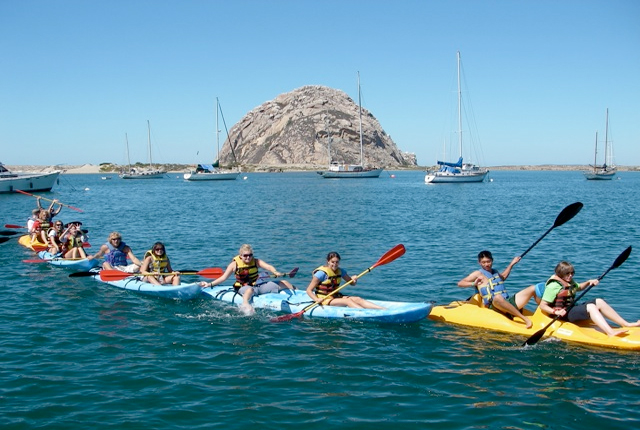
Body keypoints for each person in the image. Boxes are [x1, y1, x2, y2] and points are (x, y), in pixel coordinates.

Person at [538, 261, 640, 337]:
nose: (570, 276)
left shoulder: (569, 281)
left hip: (569, 309)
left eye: (572, 273)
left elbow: (579, 288)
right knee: (591, 306)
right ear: (560, 273)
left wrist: (588, 282)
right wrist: (556, 312)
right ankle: (610, 333)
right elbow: (543, 305)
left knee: (599, 301)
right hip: (561, 315)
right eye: (567, 274)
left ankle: (625, 324)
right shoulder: (553, 286)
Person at [199, 244, 294, 315]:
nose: (248, 257)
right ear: (240, 256)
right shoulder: (234, 264)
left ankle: (303, 295)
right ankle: (245, 304)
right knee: (250, 289)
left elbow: (268, 267)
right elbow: (223, 278)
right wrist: (210, 284)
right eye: (245, 255)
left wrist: (275, 272)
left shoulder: (256, 261)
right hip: (243, 287)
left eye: (250, 255)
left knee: (284, 283)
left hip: (258, 286)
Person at [458, 250, 537, 329]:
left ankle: (546, 313)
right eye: (483, 262)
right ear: (479, 263)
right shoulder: (477, 274)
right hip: (494, 305)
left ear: (492, 260)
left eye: (488, 261)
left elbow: (503, 277)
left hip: (506, 302)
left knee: (533, 288)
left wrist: (512, 264)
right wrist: (473, 284)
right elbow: (460, 283)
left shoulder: (495, 272)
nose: (486, 264)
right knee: (497, 297)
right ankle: (524, 319)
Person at [306, 251, 385, 310]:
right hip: (324, 299)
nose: (335, 264)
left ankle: (383, 310)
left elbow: (352, 283)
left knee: (358, 299)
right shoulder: (321, 274)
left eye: (337, 262)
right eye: (332, 262)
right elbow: (309, 290)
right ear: (328, 262)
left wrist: (354, 279)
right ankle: (365, 312)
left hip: (335, 296)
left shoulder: (340, 271)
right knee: (348, 301)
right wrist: (316, 299)